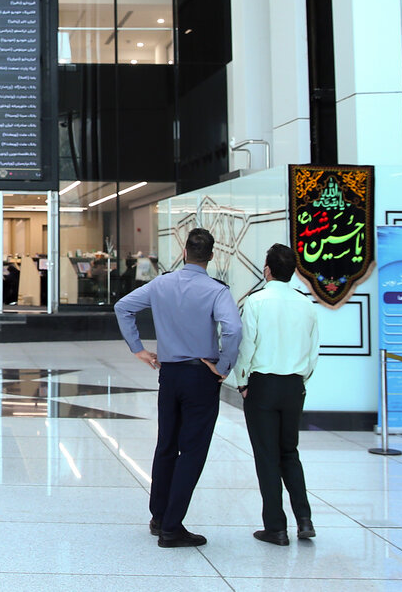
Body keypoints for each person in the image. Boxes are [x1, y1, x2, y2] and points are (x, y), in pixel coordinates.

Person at [114, 227, 242, 548]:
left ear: (184, 253)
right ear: (211, 256)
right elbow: (233, 329)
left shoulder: (162, 283)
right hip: (201, 375)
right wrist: (224, 367)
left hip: (169, 375)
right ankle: (172, 527)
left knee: (167, 445)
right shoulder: (217, 291)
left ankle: (159, 517)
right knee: (193, 450)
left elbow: (123, 307)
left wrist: (138, 349)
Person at [230, 243, 320, 546]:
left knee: (267, 456)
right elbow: (313, 350)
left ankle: (276, 528)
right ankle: (304, 519)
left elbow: (247, 346)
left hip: (263, 385)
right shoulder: (306, 304)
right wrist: (300, 380)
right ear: (292, 272)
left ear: (267, 270)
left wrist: (242, 382)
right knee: (289, 452)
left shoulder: (256, 301)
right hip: (294, 386)